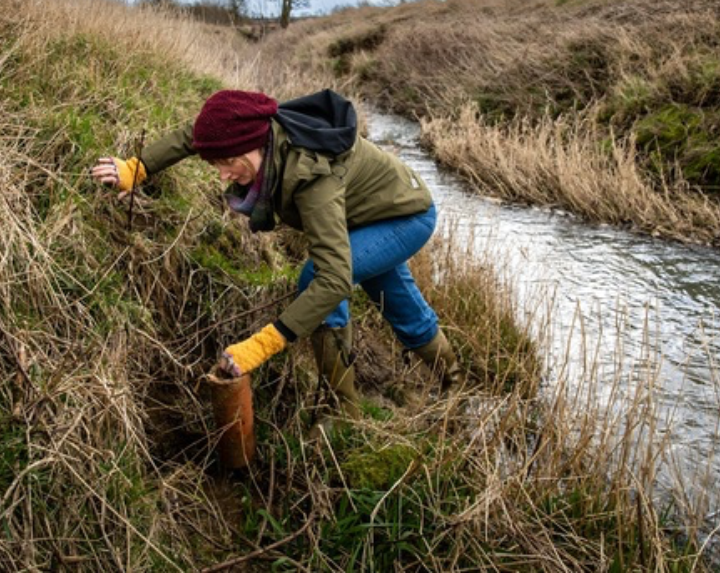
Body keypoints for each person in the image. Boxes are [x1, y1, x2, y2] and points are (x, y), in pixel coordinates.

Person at [91, 88, 463, 432]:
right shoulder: (255, 132)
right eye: (215, 164)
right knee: (397, 300)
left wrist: (262, 344)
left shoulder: (312, 177)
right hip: (365, 215)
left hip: (405, 217)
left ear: (254, 146)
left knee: (317, 276)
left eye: (229, 162)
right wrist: (135, 169)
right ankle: (453, 385)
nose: (223, 175)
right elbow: (196, 135)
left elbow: (333, 280)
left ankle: (346, 411)